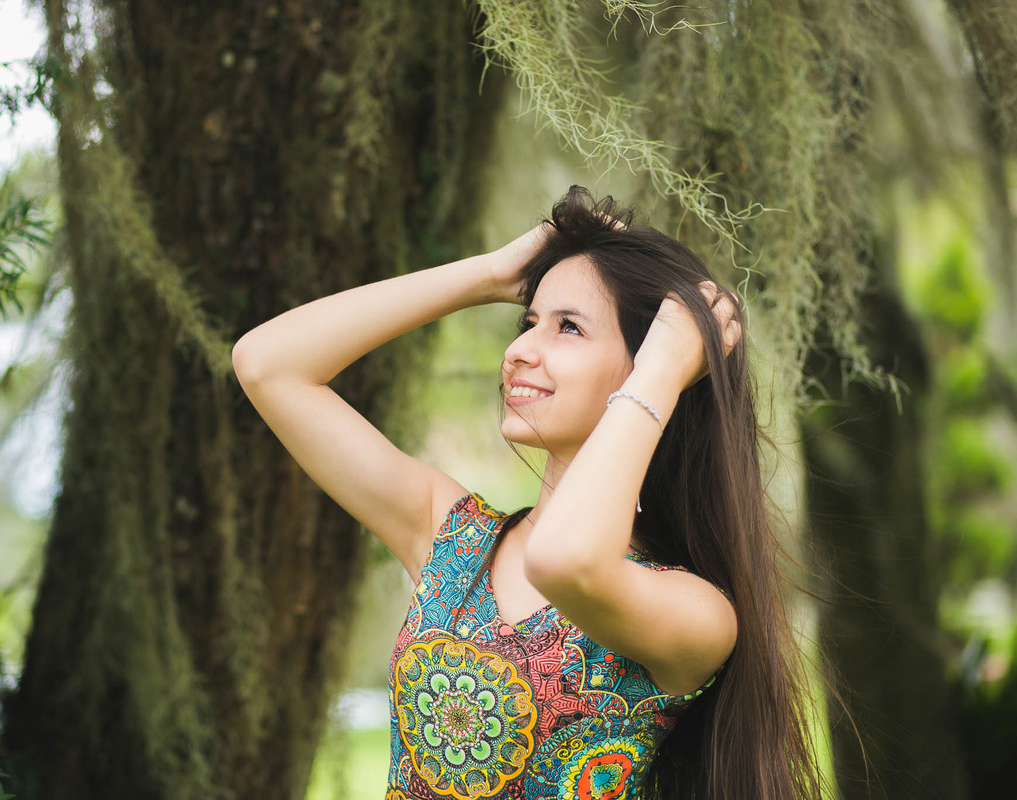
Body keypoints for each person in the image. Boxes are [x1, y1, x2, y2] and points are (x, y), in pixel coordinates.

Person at [232, 186, 826, 800]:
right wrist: (490, 275)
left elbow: (566, 561)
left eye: (568, 327)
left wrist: (665, 369)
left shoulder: (697, 613)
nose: (518, 351)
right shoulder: (455, 542)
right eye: (527, 323)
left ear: (653, 367)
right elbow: (267, 364)